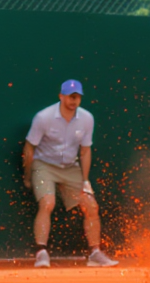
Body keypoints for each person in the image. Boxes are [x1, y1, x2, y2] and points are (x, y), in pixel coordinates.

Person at [23, 79, 118, 268]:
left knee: (91, 206)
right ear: (61, 96)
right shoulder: (44, 117)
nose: (74, 100)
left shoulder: (87, 118)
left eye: (77, 97)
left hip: (70, 168)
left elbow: (85, 151)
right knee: (47, 203)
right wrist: (28, 176)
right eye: (70, 96)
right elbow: (29, 148)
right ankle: (41, 253)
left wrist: (84, 180)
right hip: (44, 166)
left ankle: (95, 253)